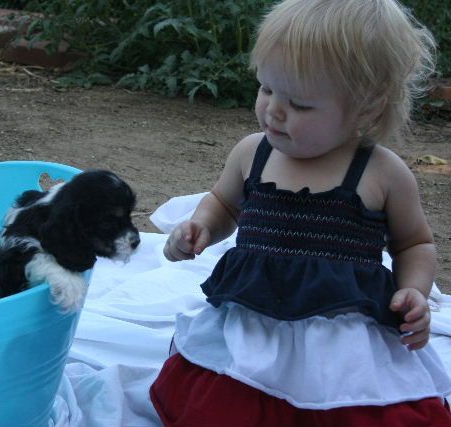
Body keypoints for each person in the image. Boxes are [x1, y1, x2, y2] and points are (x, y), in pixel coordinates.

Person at [149, 0, 451, 426]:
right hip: (253, 324)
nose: (274, 109)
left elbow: (414, 243)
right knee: (225, 405)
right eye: (267, 88)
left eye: (300, 104)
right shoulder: (252, 153)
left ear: (366, 108)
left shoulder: (381, 172)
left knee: (349, 409)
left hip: (339, 337)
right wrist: (200, 226)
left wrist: (415, 291)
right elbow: (222, 202)